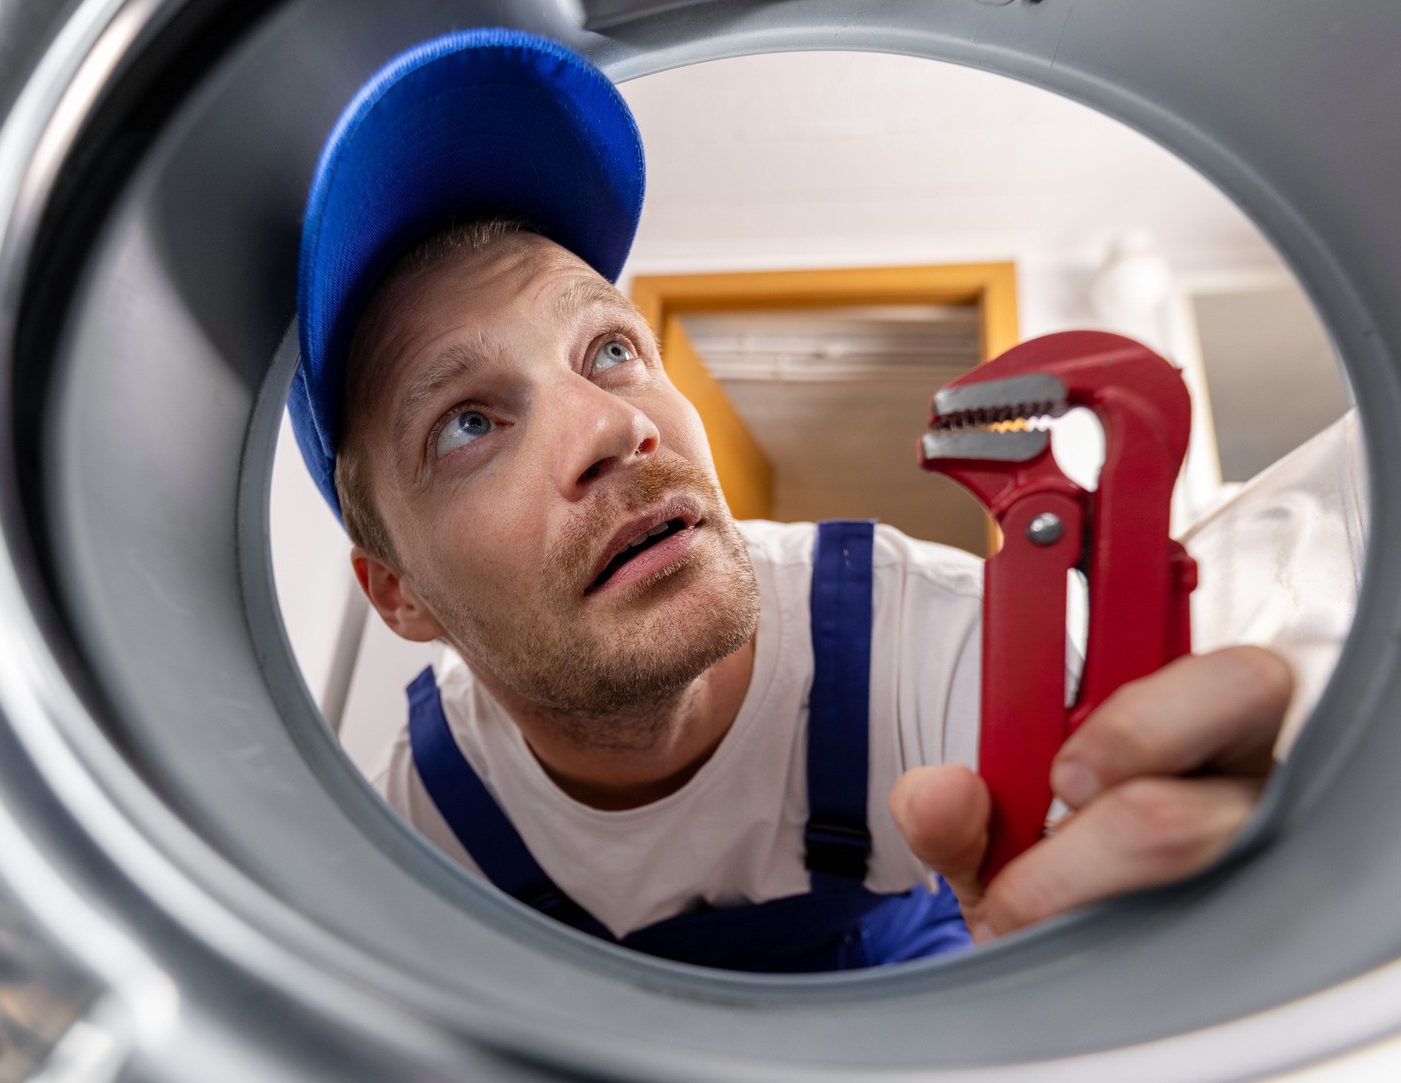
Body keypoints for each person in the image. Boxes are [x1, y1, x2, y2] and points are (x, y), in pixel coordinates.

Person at [286, 29, 1300, 971]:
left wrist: (1195, 923)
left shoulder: (937, 643)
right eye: (467, 423)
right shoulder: (419, 841)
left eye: (609, 349)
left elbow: (1121, 849)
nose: (611, 426)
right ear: (397, 593)